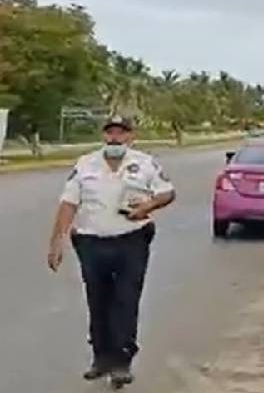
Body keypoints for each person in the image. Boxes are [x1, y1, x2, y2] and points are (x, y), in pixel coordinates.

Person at [47, 116, 176, 388]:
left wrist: (147, 207)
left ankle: (122, 361)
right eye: (111, 133)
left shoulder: (144, 163)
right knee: (98, 299)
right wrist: (56, 241)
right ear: (104, 136)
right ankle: (101, 358)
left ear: (130, 136)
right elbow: (68, 203)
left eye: (121, 133)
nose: (115, 138)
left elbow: (167, 192)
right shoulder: (85, 165)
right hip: (91, 241)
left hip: (131, 240)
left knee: (126, 299)